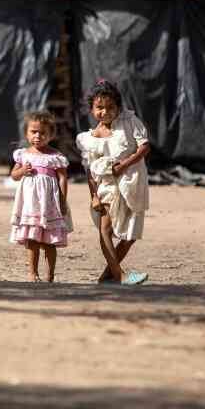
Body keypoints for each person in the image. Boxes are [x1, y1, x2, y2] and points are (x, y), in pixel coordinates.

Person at [76, 80, 150, 286]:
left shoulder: (129, 122)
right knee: (105, 229)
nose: (105, 112)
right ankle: (120, 275)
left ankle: (107, 275)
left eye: (110, 107)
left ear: (118, 107)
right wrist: (94, 196)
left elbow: (144, 147)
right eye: (99, 108)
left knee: (131, 234)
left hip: (132, 182)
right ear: (91, 108)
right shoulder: (88, 139)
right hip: (106, 186)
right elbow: (90, 170)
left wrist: (124, 165)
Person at [9, 110, 73, 282]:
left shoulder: (55, 157)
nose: (38, 136)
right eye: (33, 132)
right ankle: (33, 273)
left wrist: (62, 199)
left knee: (49, 242)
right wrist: (22, 171)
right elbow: (14, 175)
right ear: (26, 133)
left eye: (43, 132)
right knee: (32, 239)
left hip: (49, 204)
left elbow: (62, 178)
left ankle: (50, 275)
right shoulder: (23, 155)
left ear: (51, 135)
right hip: (30, 204)